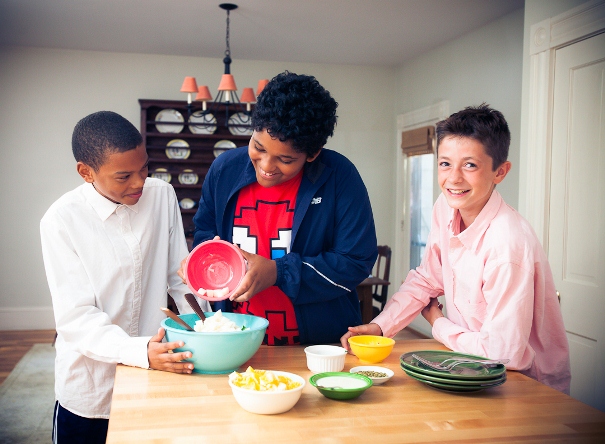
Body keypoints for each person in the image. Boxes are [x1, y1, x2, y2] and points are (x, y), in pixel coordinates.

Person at [341, 104, 571, 394]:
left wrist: (438, 322)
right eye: (445, 163)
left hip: (524, 386)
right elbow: (428, 278)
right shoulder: (446, 206)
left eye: (470, 165)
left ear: (500, 172)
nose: (453, 178)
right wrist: (381, 326)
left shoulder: (507, 246)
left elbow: (504, 353)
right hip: (468, 367)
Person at [40, 111, 211, 443]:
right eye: (124, 176)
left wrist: (206, 331)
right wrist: (140, 351)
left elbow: (179, 277)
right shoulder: (60, 221)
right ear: (85, 172)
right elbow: (76, 318)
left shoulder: (161, 195)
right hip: (91, 387)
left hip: (157, 370)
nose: (139, 182)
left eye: (145, 167)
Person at [180, 71, 377, 345]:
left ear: (313, 154)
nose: (266, 166)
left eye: (285, 159)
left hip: (317, 345)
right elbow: (205, 232)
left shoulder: (339, 177)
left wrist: (278, 272)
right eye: (258, 147)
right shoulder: (224, 170)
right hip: (235, 340)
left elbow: (355, 261)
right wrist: (205, 258)